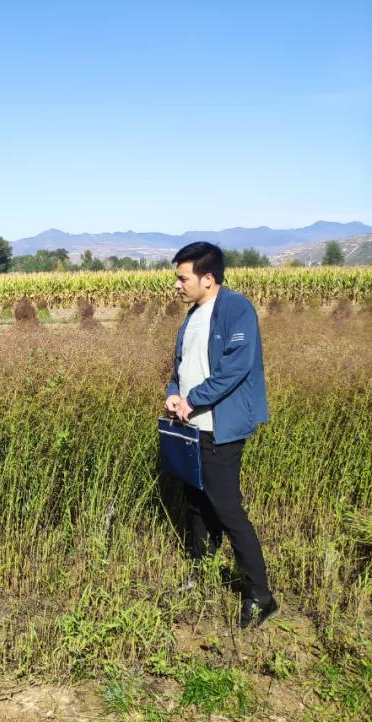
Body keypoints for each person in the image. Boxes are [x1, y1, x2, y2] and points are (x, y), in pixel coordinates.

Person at [163, 242, 278, 629]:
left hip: (221, 427)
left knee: (228, 509)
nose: (176, 286)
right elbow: (179, 368)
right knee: (197, 504)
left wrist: (193, 400)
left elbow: (236, 368)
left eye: (182, 278)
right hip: (191, 425)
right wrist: (174, 396)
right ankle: (201, 574)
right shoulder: (192, 316)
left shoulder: (235, 309)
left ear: (207, 278)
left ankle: (261, 595)